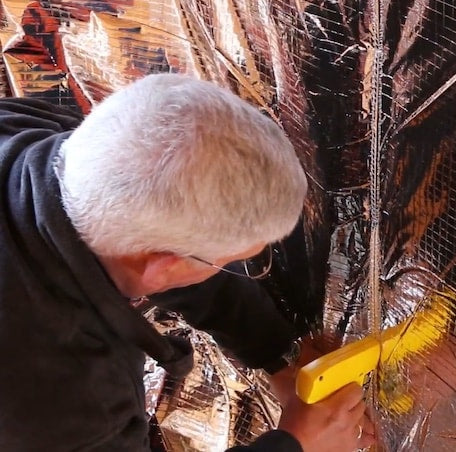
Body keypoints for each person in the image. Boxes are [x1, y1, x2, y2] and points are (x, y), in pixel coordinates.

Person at [0, 74, 375, 451]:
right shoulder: (64, 398)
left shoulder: (34, 133)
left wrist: (275, 354)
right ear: (163, 267)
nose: (225, 269)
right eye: (228, 261)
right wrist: (298, 444)